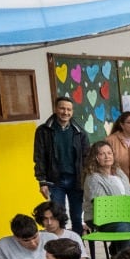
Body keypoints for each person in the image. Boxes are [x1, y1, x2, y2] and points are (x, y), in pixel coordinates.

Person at [32, 96, 91, 235]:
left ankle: (77, 247)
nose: (65, 112)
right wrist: (42, 181)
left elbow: (87, 158)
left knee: (77, 217)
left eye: (69, 109)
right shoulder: (43, 131)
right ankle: (61, 247)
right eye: (62, 108)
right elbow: (39, 157)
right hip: (55, 181)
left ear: (72, 111)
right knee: (58, 217)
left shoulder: (79, 132)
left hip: (76, 180)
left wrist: (87, 178)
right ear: (55, 109)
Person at [82, 139, 130, 237]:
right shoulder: (93, 177)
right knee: (125, 226)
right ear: (95, 158)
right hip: (99, 218)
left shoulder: (119, 172)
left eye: (109, 153)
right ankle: (122, 252)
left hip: (123, 214)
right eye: (102, 154)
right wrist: (126, 207)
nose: (107, 157)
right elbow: (103, 205)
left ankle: (129, 251)